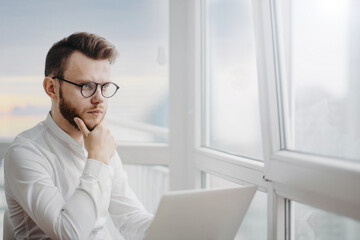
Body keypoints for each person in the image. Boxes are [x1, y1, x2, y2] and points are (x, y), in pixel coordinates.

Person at [4, 32, 153, 240]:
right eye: (87, 86)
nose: (99, 99)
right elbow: (69, 234)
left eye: (105, 87)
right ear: (52, 89)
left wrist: (178, 228)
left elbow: (130, 219)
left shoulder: (99, 146)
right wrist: (97, 159)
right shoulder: (26, 153)